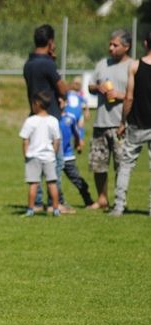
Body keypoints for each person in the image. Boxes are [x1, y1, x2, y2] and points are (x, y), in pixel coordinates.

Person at [23, 24, 71, 214]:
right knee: (54, 162)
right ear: (50, 41)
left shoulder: (29, 63)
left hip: (34, 117)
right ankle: (55, 203)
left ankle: (38, 202)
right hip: (50, 118)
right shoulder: (47, 64)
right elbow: (62, 88)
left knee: (35, 162)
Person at [87, 29, 132, 210]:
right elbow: (90, 86)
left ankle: (120, 202)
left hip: (121, 124)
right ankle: (102, 199)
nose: (110, 48)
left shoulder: (132, 66)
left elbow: (136, 94)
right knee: (98, 165)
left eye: (115, 45)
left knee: (121, 166)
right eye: (110, 44)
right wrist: (98, 88)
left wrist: (119, 95)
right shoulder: (102, 64)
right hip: (101, 123)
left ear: (126, 47)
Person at [111, 31, 151, 216]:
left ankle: (119, 206)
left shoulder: (135, 66)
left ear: (145, 43)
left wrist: (122, 122)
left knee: (126, 165)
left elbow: (129, 97)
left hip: (137, 124)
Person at [20, 91, 62, 217]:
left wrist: (26, 154)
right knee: (52, 183)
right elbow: (57, 140)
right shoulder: (53, 121)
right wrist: (53, 152)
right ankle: (55, 209)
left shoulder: (30, 121)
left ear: (37, 104)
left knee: (33, 184)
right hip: (49, 157)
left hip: (33, 156)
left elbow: (25, 139)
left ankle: (31, 210)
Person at [59, 97, 95, 207]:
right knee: (55, 181)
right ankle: (59, 202)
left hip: (68, 156)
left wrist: (78, 143)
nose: (59, 102)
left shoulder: (71, 118)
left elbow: (76, 132)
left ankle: (88, 199)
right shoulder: (52, 118)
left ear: (66, 103)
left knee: (77, 179)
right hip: (54, 157)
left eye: (61, 100)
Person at [65, 76, 90, 143]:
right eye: (76, 83)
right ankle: (68, 139)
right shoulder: (68, 93)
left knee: (81, 123)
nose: (77, 85)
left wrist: (87, 111)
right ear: (72, 83)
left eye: (79, 84)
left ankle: (80, 140)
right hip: (68, 114)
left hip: (78, 114)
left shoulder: (80, 95)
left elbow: (85, 104)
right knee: (67, 127)